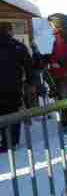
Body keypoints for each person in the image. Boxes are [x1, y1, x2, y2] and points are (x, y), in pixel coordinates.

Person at [0, 22, 37, 152]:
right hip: (13, 86)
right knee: (14, 112)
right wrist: (30, 82)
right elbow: (28, 65)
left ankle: (4, 141)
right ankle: (12, 141)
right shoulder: (18, 46)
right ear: (10, 31)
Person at [47, 13, 67, 128]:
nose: (50, 26)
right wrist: (47, 59)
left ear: (57, 23)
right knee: (62, 100)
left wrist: (60, 63)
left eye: (51, 24)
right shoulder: (58, 37)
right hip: (60, 75)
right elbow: (57, 54)